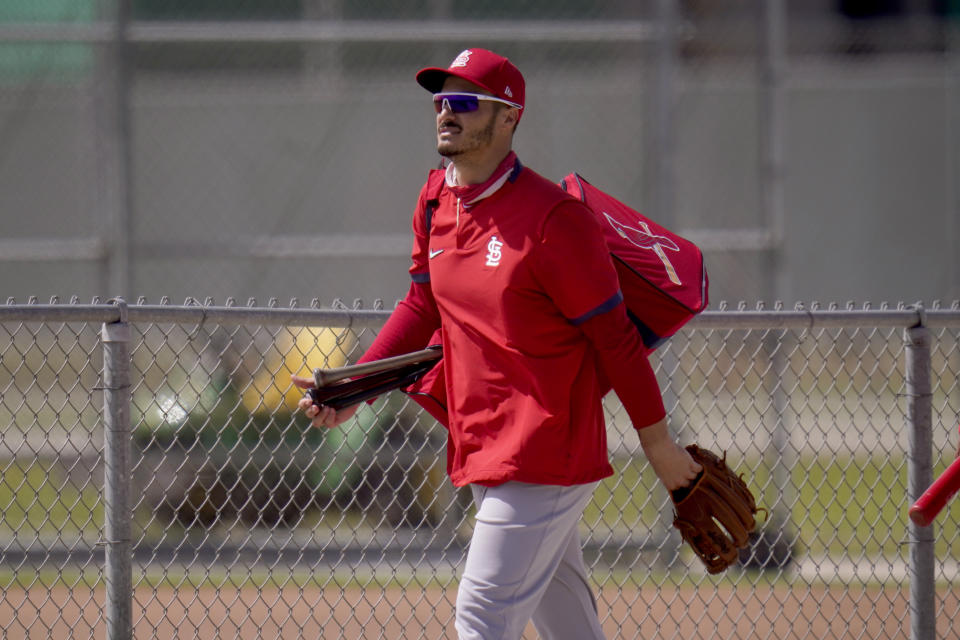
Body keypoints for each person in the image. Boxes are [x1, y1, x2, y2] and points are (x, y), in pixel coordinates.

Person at [293, 48, 701, 640]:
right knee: (570, 627)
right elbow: (421, 306)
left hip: (544, 450)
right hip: (483, 443)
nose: (446, 114)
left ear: (509, 117)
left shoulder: (553, 219)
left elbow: (614, 339)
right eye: (440, 101)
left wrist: (659, 446)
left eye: (464, 102)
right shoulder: (436, 200)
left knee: (482, 616)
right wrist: (356, 388)